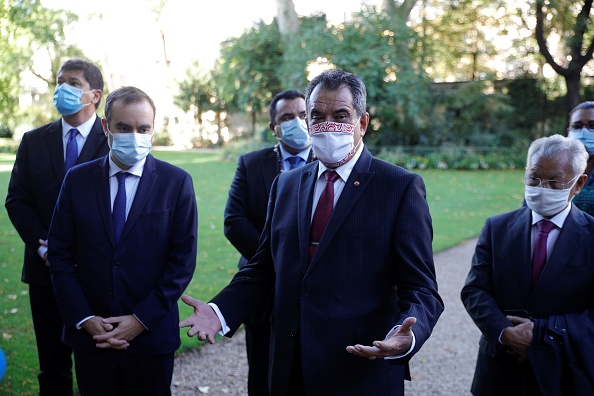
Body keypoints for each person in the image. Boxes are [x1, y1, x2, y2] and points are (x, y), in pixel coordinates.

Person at [180, 69, 443, 396]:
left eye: (340, 115)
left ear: (362, 123)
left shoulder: (398, 187)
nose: (327, 124)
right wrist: (220, 311)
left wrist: (408, 336)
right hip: (290, 368)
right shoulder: (287, 184)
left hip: (360, 369)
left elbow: (421, 288)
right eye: (317, 115)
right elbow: (264, 267)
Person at [47, 86, 197, 396]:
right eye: (124, 128)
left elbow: (182, 261)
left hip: (151, 337)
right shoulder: (77, 179)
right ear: (106, 127)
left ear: (153, 129)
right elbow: (60, 254)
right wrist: (86, 318)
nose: (135, 136)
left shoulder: (176, 182)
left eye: (143, 129)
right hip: (93, 337)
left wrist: (140, 319)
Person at [5, 58, 108, 395]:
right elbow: (17, 201)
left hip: (97, 274)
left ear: (94, 95)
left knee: (98, 365)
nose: (62, 88)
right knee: (53, 369)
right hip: (44, 272)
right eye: (59, 81)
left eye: (73, 83)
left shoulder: (113, 140)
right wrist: (44, 247)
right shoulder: (34, 141)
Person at [461, 134, 594, 395]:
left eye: (554, 181)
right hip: (500, 368)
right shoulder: (496, 227)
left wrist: (543, 334)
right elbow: (475, 290)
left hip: (564, 370)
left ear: (578, 184)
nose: (541, 187)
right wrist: (504, 332)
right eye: (534, 178)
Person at [223, 89, 315, 395]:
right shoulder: (252, 164)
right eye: (287, 117)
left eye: (303, 115)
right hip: (263, 289)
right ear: (273, 127)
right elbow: (234, 223)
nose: (297, 122)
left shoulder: (329, 162)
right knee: (263, 373)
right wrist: (281, 258)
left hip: (315, 289)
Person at [566, 101, 594, 215]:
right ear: (569, 131)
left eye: (592, 126)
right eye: (577, 126)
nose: (584, 132)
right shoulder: (553, 166)